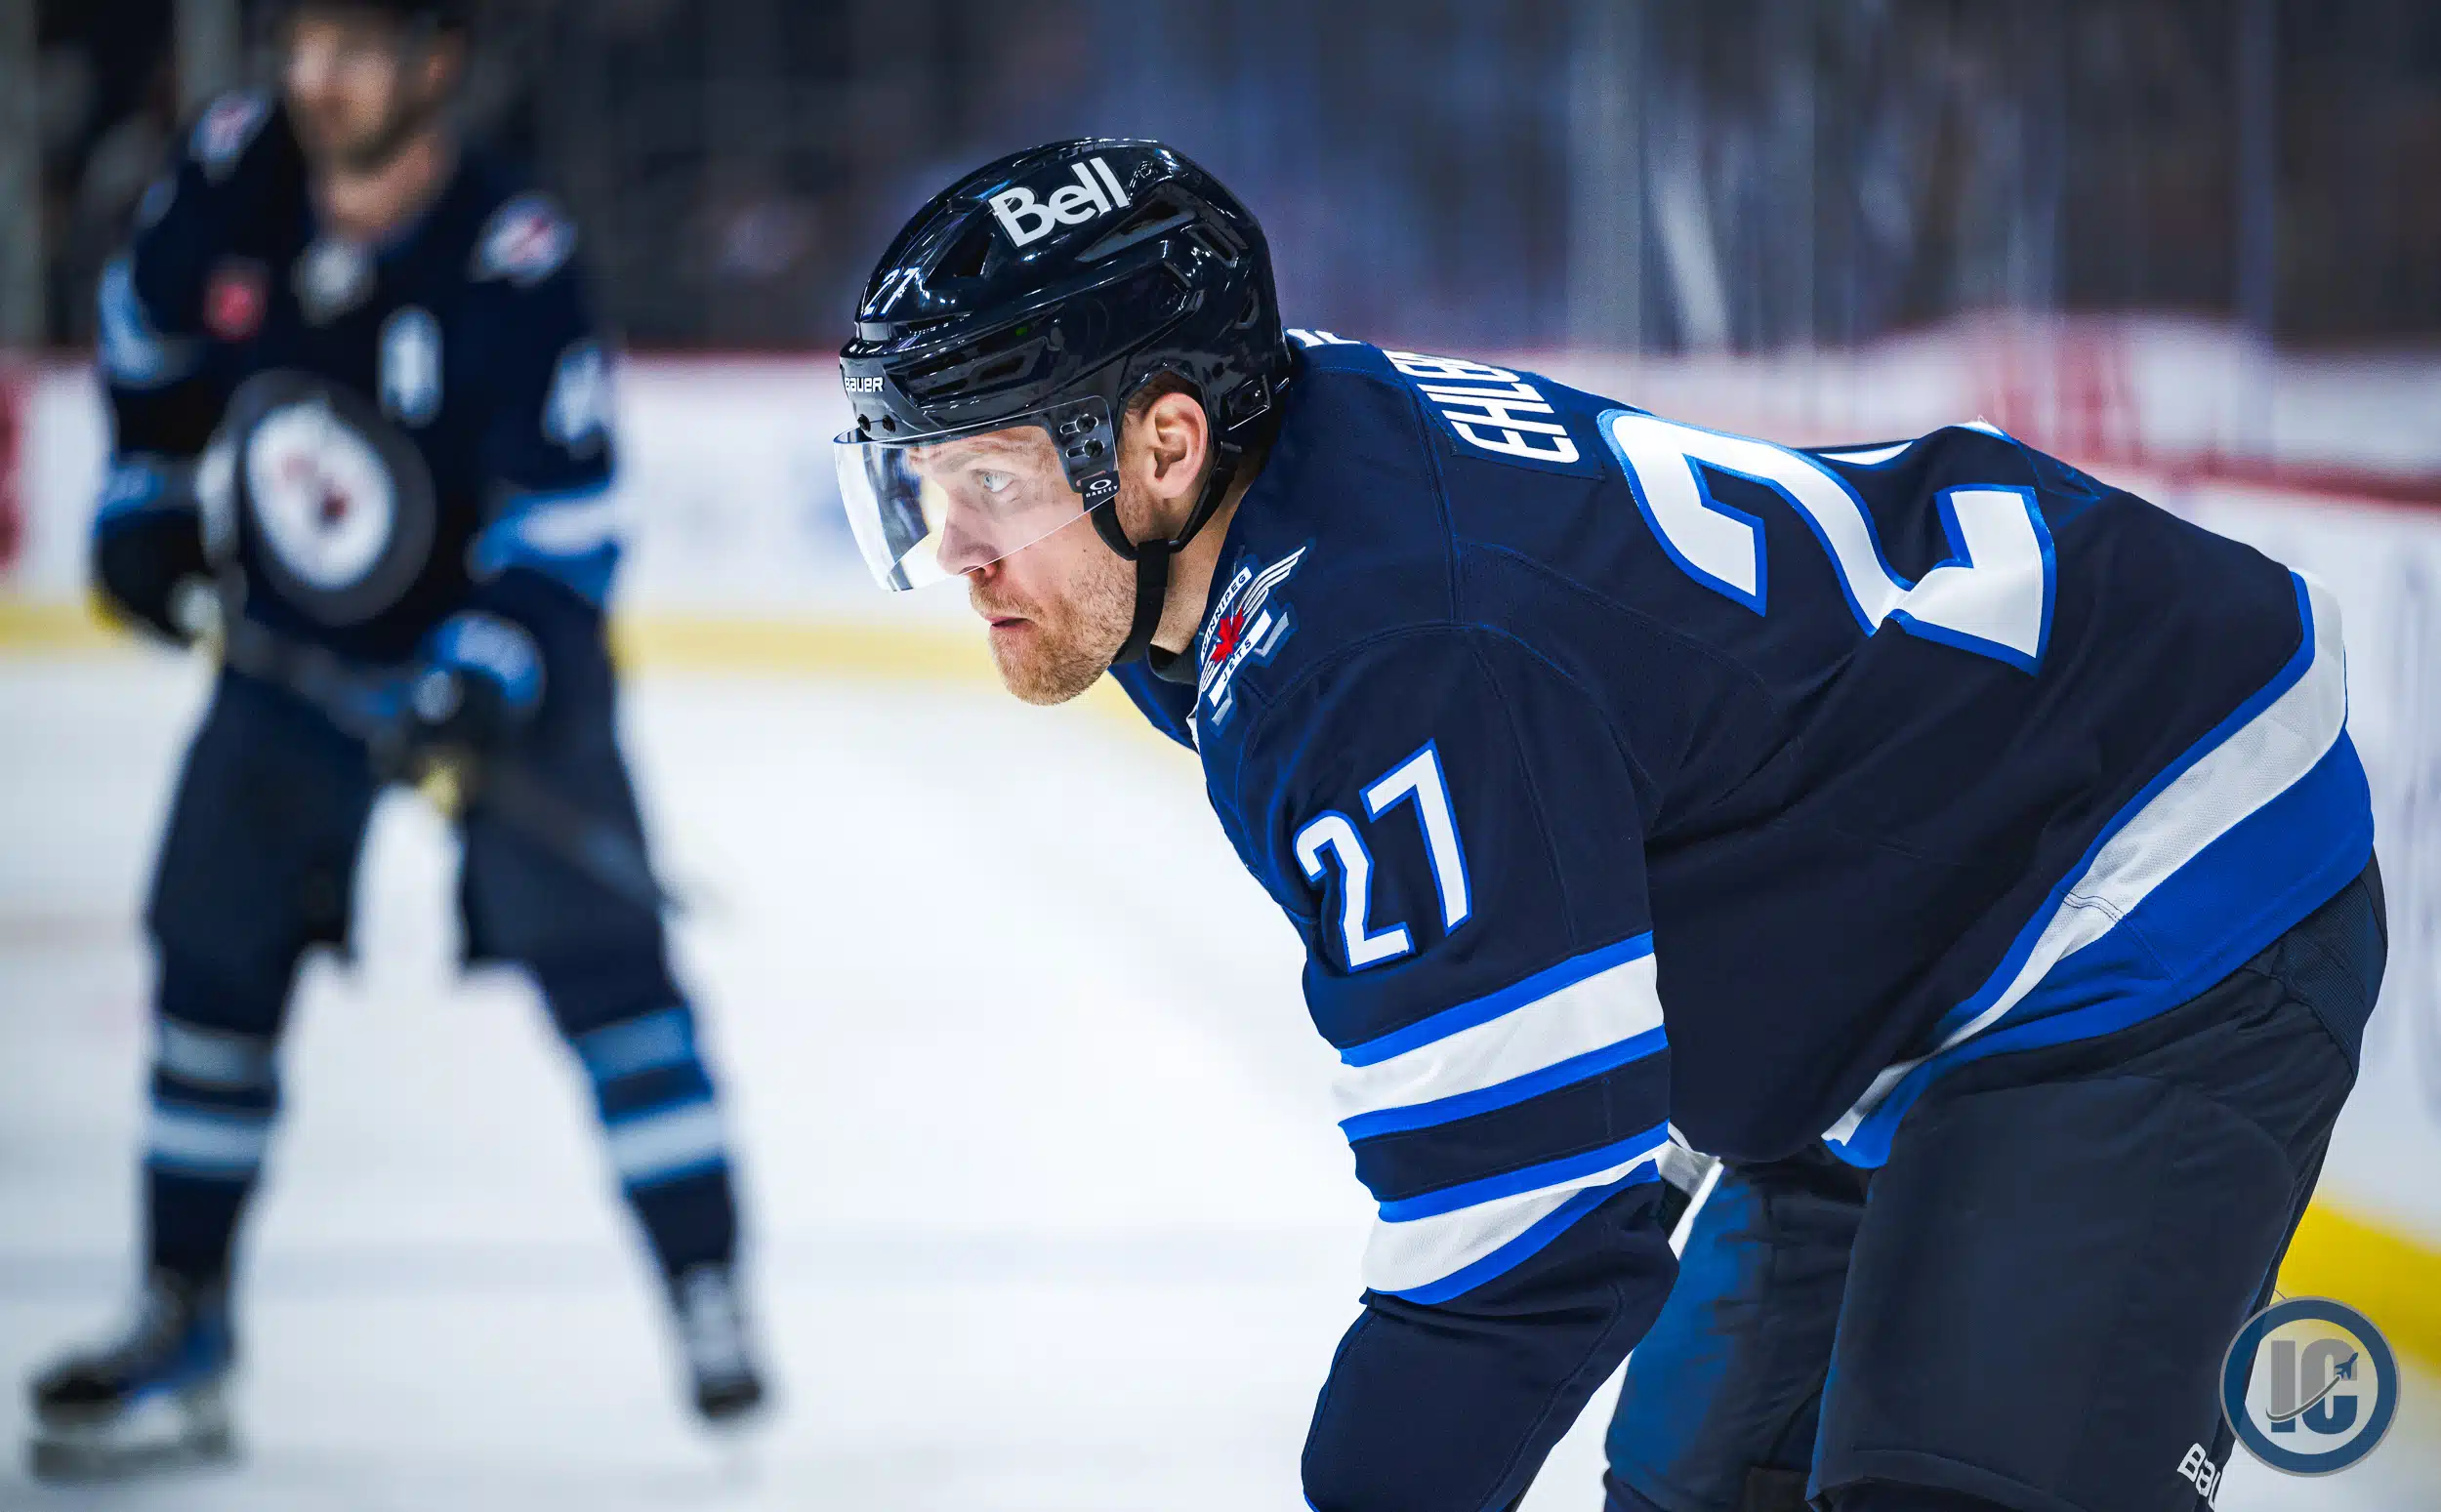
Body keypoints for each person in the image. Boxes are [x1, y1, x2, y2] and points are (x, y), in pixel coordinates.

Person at [829, 140, 2384, 1512]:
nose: (951, 547)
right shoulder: (1268, 503)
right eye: (926, 485)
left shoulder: (1372, 652)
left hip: (2146, 869)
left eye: (988, 481)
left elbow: (1522, 1241)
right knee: (1693, 1482)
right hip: (1927, 905)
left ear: (1165, 447)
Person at [29, 0, 764, 1477]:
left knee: (610, 966)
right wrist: (145, 499)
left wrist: (480, 675)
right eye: (306, 48)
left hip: (501, 661)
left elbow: (566, 519)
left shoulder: (514, 257)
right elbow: (144, 331)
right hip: (294, 651)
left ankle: (707, 1284)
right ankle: (186, 1321)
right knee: (212, 960)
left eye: (360, 53)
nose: (322, 82)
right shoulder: (233, 172)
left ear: (437, 68)